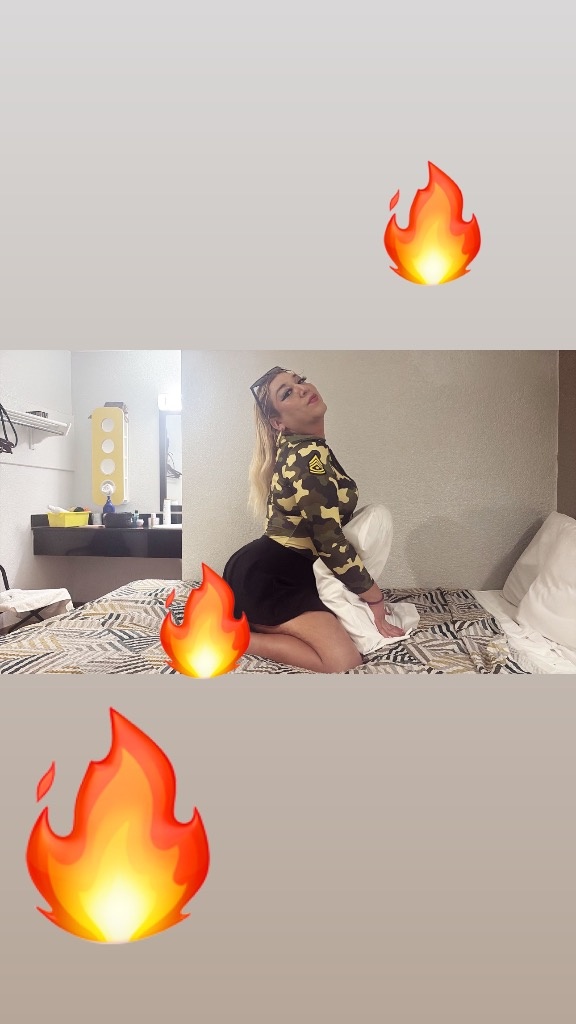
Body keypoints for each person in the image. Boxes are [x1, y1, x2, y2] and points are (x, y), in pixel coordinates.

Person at [222, 366, 406, 673]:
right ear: (278, 422)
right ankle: (234, 636)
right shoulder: (307, 457)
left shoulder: (308, 449)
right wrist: (375, 598)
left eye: (300, 380)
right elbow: (329, 541)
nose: (303, 388)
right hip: (271, 579)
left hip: (284, 571)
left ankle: (249, 625)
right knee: (344, 661)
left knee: (351, 639)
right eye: (287, 393)